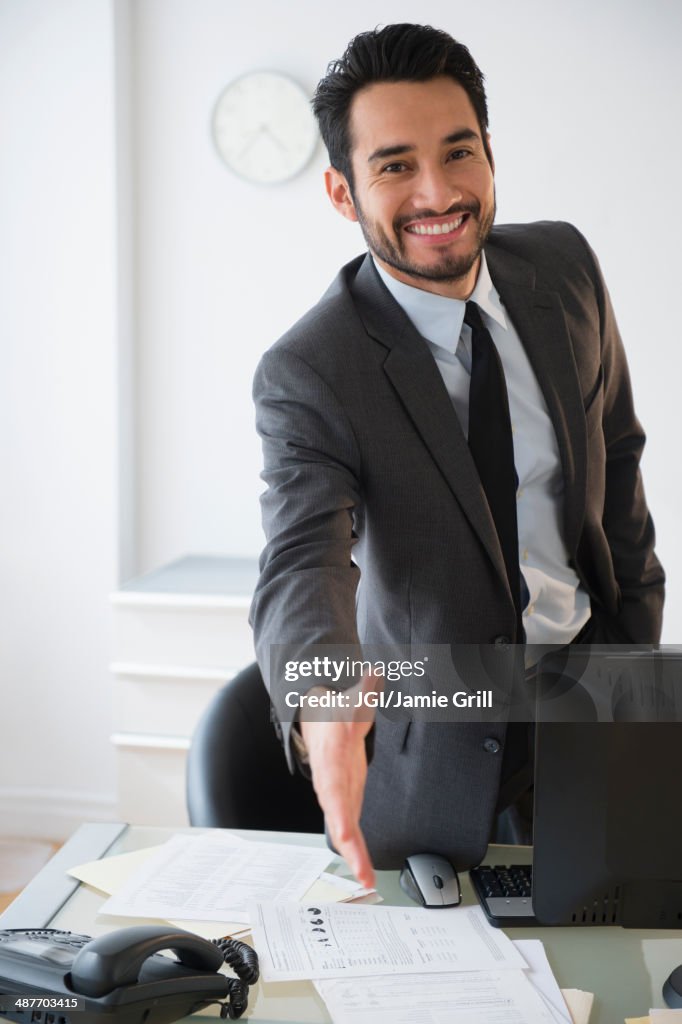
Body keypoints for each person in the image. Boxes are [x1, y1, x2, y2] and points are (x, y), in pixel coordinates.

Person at [249, 23, 664, 889]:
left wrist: (632, 648)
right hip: (439, 758)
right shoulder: (312, 371)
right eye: (394, 165)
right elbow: (302, 557)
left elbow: (616, 453)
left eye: (458, 151)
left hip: (594, 706)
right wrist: (324, 698)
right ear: (341, 191)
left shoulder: (566, 268)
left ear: (489, 154)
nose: (437, 192)